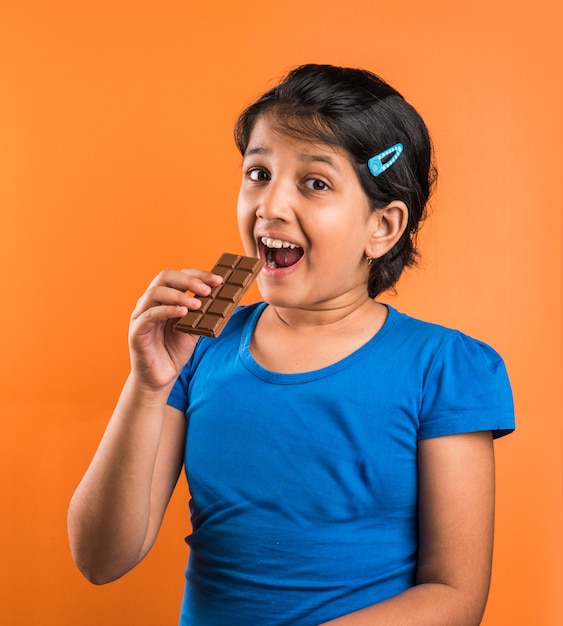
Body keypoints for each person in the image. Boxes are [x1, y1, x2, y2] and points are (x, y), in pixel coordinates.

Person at [67, 64, 515, 625]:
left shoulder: (445, 370)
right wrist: (146, 383)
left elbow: (455, 596)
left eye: (315, 183)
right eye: (258, 172)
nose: (270, 206)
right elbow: (100, 558)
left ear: (383, 227)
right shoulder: (199, 350)